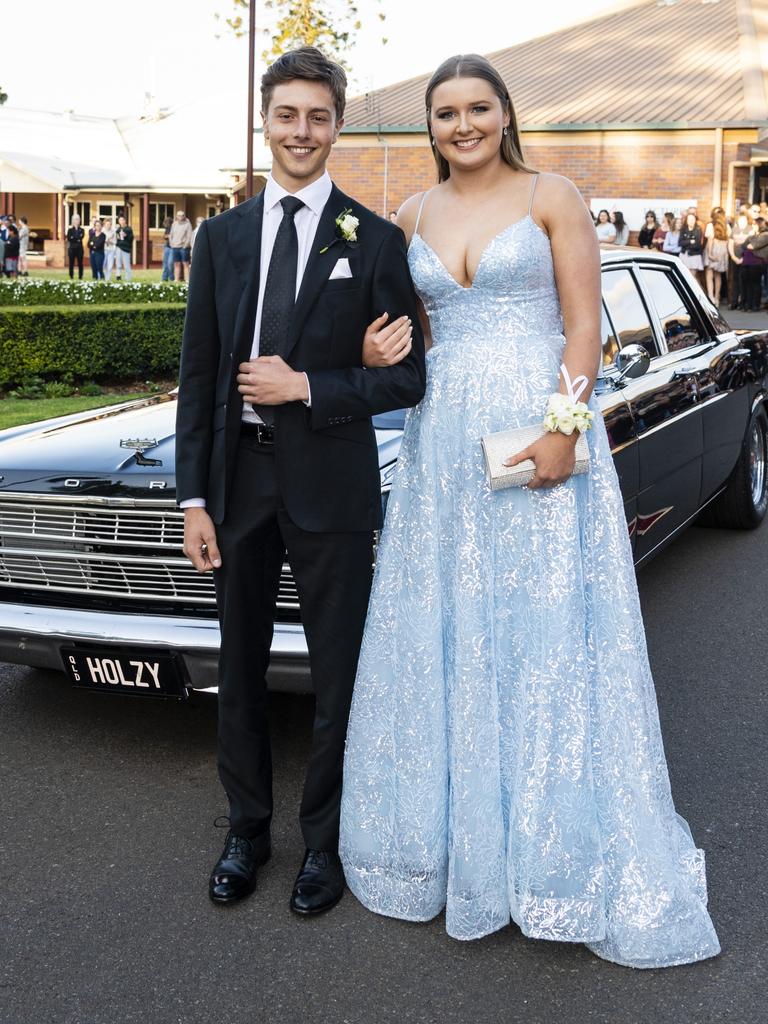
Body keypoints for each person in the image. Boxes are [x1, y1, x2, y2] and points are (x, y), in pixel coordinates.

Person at [339, 52, 720, 970]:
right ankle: (464, 844)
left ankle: (554, 854)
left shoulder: (554, 195)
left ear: (506, 115)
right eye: (445, 113)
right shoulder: (409, 217)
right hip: (444, 453)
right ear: (428, 127)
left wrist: (561, 427)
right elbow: (392, 336)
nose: (461, 125)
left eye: (478, 108)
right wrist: (364, 339)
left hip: (537, 436)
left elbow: (585, 325)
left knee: (546, 636)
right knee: (453, 629)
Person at [175, 46, 426, 917]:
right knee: (238, 668)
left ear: (338, 125)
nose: (302, 130)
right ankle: (247, 830)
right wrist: (194, 499)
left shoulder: (376, 237)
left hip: (332, 485)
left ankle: (327, 843)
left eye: (318, 116)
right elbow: (200, 376)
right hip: (237, 482)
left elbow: (406, 380)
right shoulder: (221, 237)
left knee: (337, 676)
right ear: (266, 120)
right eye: (288, 114)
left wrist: (311, 384)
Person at [704, 207, 729, 306]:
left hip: (713, 248)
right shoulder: (727, 226)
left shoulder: (710, 225)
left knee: (709, 275)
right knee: (718, 275)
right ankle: (717, 297)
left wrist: (709, 253)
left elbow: (710, 240)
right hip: (722, 250)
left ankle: (711, 297)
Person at [678, 211, 705, 285]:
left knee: (692, 277)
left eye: (693, 219)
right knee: (685, 276)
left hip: (694, 255)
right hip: (684, 255)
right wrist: (690, 241)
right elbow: (680, 243)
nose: (691, 221)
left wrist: (686, 243)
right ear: (686, 221)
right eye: (689, 219)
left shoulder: (698, 230)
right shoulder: (683, 229)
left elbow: (697, 245)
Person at [169, 210, 193, 281]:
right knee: (176, 264)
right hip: (175, 247)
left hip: (184, 248)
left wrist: (185, 245)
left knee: (185, 264)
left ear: (184, 216)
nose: (181, 217)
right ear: (176, 216)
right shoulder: (174, 224)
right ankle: (176, 279)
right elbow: (171, 235)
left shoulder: (187, 224)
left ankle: (187, 280)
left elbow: (189, 236)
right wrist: (171, 243)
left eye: (182, 215)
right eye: (179, 215)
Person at [115, 215, 133, 281]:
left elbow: (131, 238)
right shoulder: (118, 230)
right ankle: (118, 276)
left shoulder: (128, 229)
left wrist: (126, 235)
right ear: (118, 221)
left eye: (123, 220)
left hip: (126, 249)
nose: (122, 221)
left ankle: (128, 278)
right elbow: (117, 238)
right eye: (120, 220)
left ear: (125, 221)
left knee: (126, 264)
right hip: (119, 248)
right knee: (118, 263)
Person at [66, 214, 85, 279]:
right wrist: (76, 238)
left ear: (79, 221)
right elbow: (69, 238)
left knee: (80, 263)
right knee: (71, 263)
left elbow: (81, 237)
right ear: (72, 221)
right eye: (75, 219)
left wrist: (74, 238)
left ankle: (80, 276)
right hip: (72, 249)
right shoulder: (70, 230)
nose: (76, 221)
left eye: (78, 219)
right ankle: (71, 276)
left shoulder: (82, 230)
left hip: (79, 249)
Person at [161, 215, 174, 281]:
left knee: (170, 263)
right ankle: (164, 278)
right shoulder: (167, 228)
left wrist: (169, 236)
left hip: (173, 247)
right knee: (165, 263)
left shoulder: (173, 227)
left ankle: (172, 277)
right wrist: (168, 236)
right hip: (167, 246)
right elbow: (164, 236)